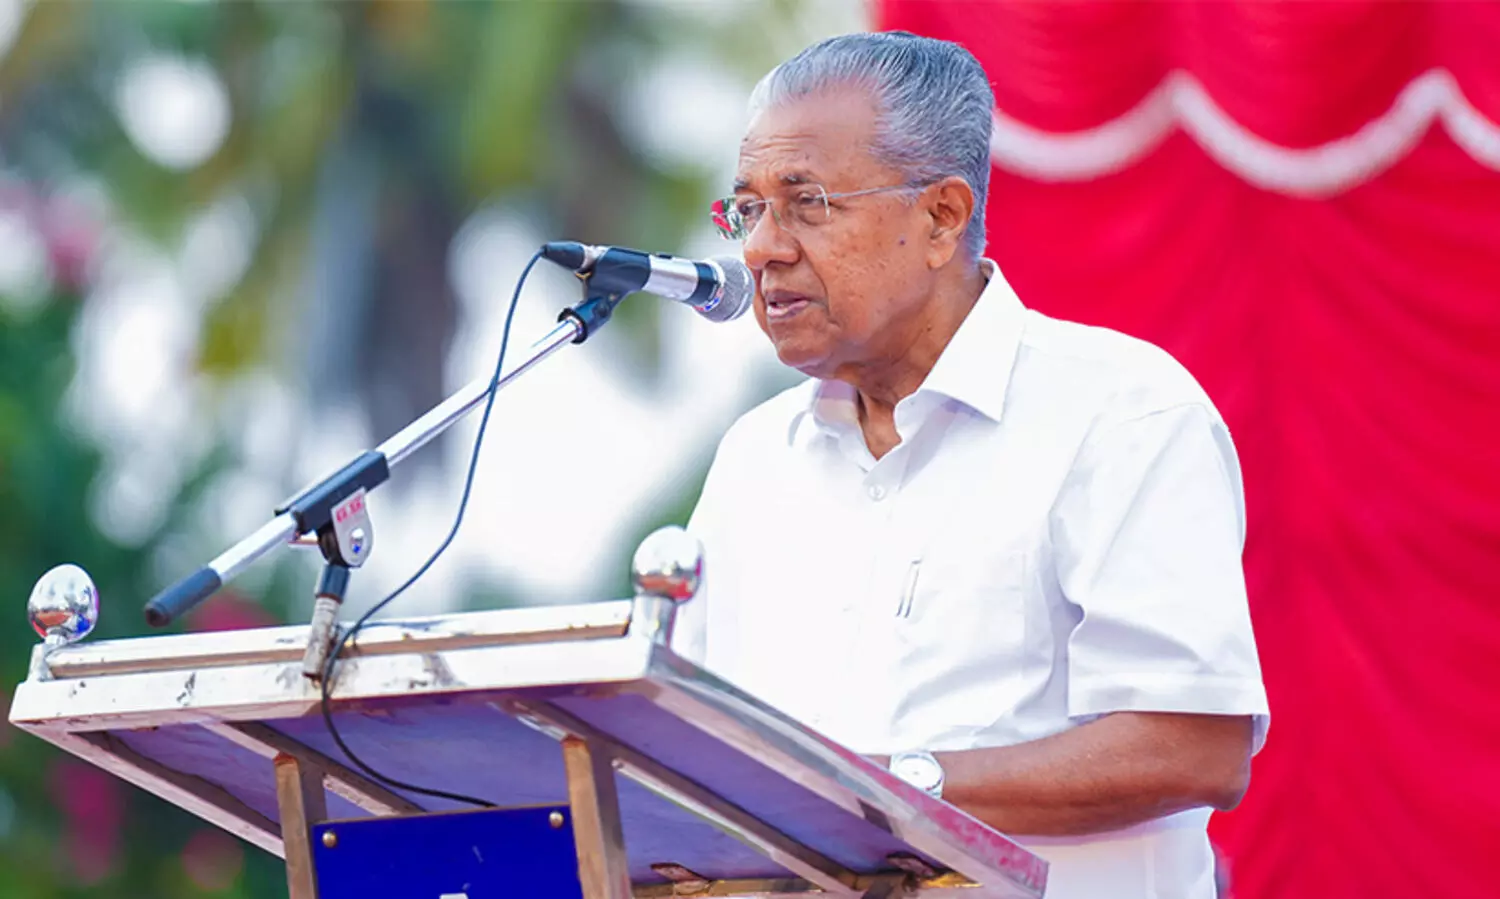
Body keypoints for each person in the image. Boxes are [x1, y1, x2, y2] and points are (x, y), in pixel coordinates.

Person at [672, 31, 1270, 899]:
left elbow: (1193, 745)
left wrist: (881, 790)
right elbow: (690, 752)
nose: (761, 248)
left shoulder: (1121, 412)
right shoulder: (753, 460)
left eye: (806, 204)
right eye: (747, 210)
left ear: (941, 218)